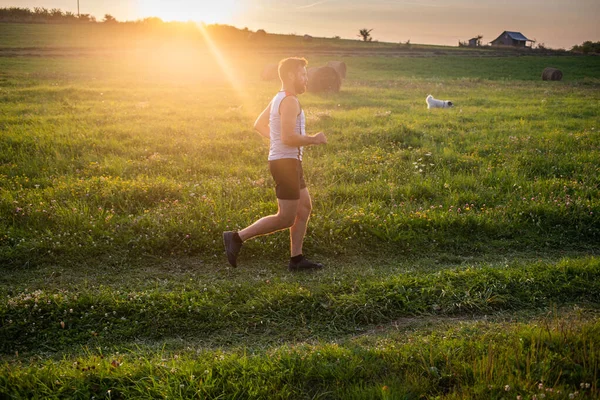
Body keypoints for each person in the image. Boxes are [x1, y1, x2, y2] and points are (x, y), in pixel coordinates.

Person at [223, 57, 327, 271]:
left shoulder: (279, 97)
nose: (306, 79)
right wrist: (313, 138)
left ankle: (296, 259)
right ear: (291, 75)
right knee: (285, 218)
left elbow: (259, 124)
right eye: (303, 74)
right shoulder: (289, 100)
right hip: (286, 164)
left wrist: (278, 141)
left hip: (288, 161)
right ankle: (236, 237)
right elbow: (288, 138)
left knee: (304, 207)